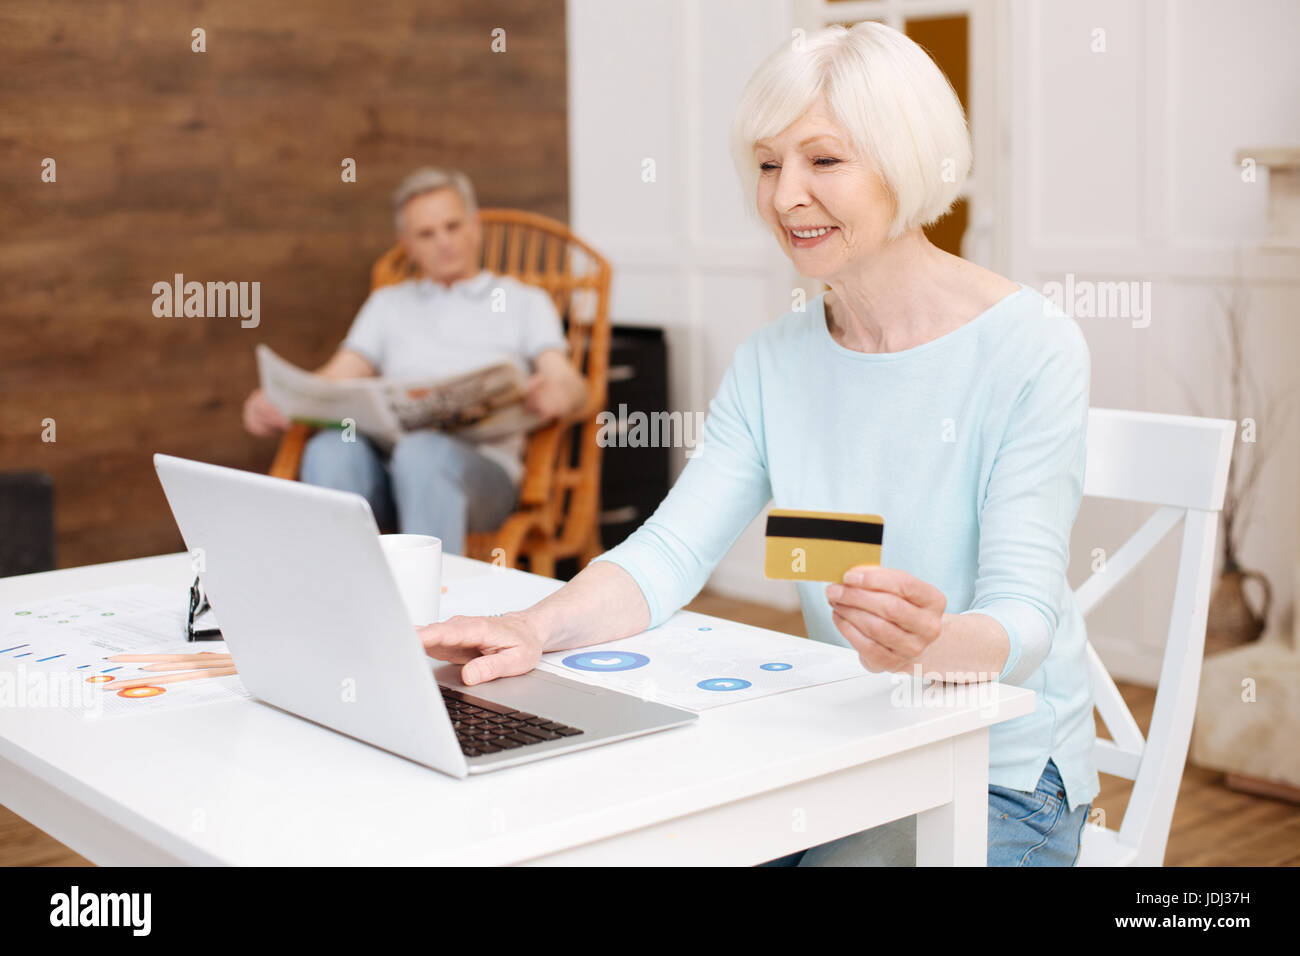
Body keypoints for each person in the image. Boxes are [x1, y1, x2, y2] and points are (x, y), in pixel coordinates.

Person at [417, 22, 1098, 866]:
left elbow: (1024, 616)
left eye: (824, 161)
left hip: (999, 771)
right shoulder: (774, 360)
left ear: (906, 158)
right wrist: (531, 624)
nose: (784, 197)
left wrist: (934, 646)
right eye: (769, 164)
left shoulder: (1031, 347)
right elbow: (667, 552)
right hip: (846, 741)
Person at [241, 167, 587, 555]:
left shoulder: (524, 302)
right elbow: (337, 376)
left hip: (481, 478)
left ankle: (427, 610)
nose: (444, 243)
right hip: (387, 474)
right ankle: (344, 596)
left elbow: (570, 381)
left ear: (474, 226)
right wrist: (282, 400)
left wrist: (559, 392)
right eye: (426, 233)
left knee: (421, 452)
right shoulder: (388, 305)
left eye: (452, 226)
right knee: (329, 448)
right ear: (407, 244)